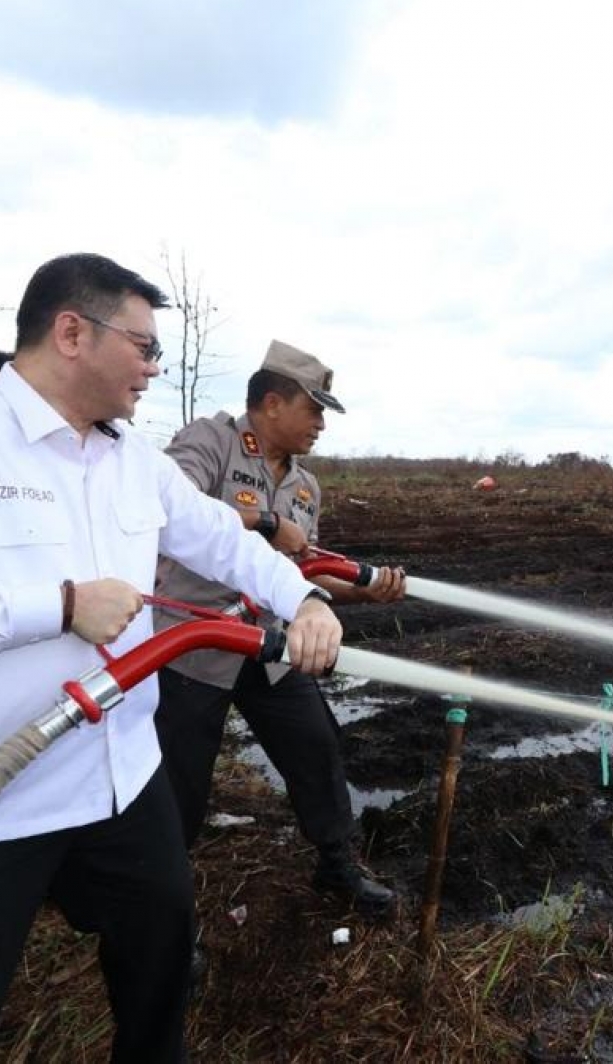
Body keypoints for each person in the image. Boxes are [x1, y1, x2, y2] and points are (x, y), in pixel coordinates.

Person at [0, 254, 343, 1063]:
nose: (154, 368)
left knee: (161, 957)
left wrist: (304, 600)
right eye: (144, 348)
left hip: (118, 773)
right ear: (71, 332)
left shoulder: (133, 462)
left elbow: (220, 538)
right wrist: (60, 607)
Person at [153, 341, 405, 915]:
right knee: (179, 782)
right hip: (194, 646)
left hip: (269, 645)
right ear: (272, 403)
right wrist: (266, 522)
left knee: (315, 745)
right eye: (314, 410)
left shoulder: (305, 487)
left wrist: (362, 588)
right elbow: (169, 506)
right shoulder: (210, 441)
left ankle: (337, 866)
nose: (320, 424)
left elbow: (296, 571)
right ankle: (165, 906)